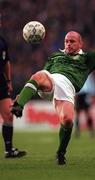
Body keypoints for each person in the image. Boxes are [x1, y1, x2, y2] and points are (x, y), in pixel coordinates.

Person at [11, 25, 95, 165]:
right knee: (39, 75)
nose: (68, 44)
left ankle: (61, 153)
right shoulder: (55, 56)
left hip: (67, 88)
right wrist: (22, 95)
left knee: (67, 120)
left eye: (72, 41)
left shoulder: (87, 58)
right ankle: (18, 106)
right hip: (51, 80)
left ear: (80, 43)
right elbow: (38, 78)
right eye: (66, 41)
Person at [0, 14, 26, 158]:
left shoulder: (2, 41)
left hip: (0, 83)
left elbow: (6, 62)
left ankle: (8, 150)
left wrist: (9, 81)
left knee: (9, 115)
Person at [74, 74, 95, 138]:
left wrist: (93, 93)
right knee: (78, 114)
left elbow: (91, 83)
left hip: (85, 94)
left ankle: (91, 131)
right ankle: (77, 131)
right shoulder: (78, 72)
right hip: (79, 95)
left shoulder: (88, 73)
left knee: (87, 113)